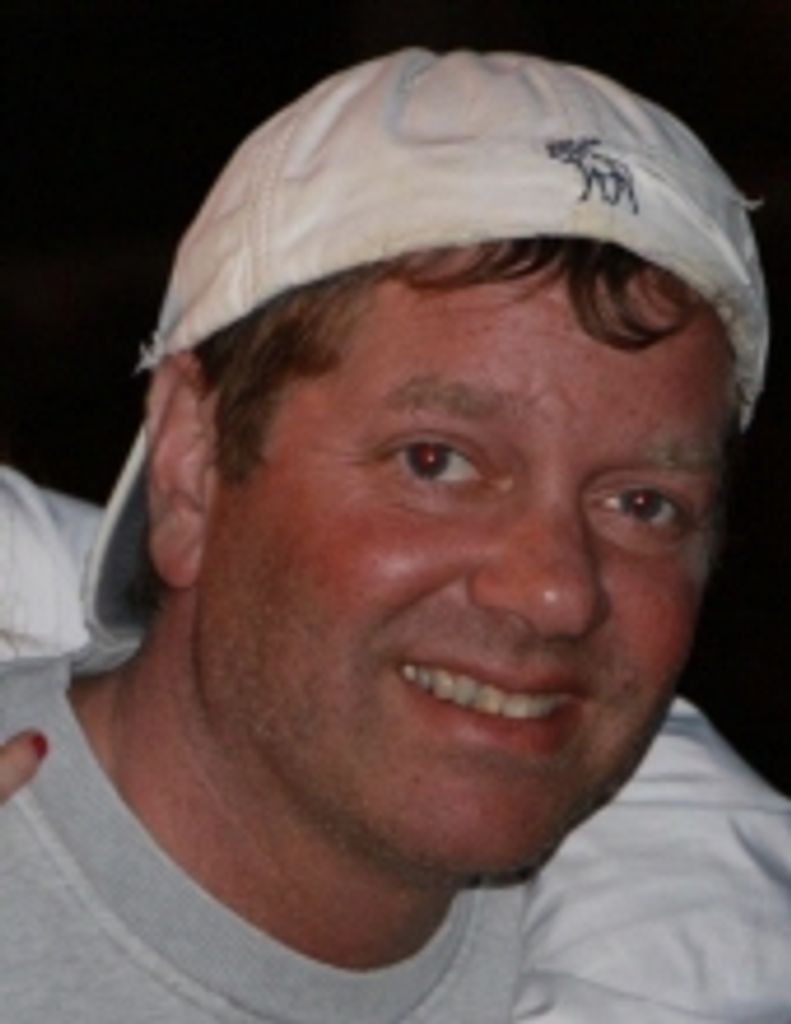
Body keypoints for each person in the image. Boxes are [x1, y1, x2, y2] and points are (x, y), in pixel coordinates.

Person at [0, 49, 788, 1020]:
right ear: (190, 460)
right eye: (435, 461)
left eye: (641, 504)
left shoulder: (698, 954)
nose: (554, 591)